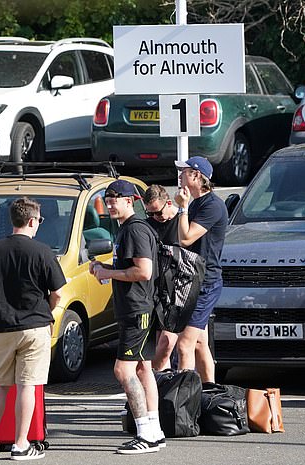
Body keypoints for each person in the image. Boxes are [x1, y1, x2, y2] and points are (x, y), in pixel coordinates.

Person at [0, 197, 65, 461]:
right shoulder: (42, 251)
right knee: (27, 386)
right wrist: (46, 309)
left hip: (2, 325)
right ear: (31, 221)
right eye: (38, 221)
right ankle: (21, 444)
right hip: (35, 325)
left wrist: (1, 302)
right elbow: (58, 292)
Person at [90, 180, 164, 454]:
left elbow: (143, 271)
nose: (110, 202)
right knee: (144, 369)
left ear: (129, 200)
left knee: (123, 371)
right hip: (135, 308)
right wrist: (105, 267)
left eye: (115, 198)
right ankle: (154, 431)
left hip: (138, 310)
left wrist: (109, 274)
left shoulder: (134, 230)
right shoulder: (127, 230)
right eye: (107, 198)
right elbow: (131, 268)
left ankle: (145, 434)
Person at [172, 156, 228, 383]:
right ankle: (209, 391)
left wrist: (181, 208)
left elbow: (185, 238)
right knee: (199, 342)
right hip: (191, 280)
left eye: (183, 172)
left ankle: (182, 401)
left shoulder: (213, 205)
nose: (179, 176)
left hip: (204, 283)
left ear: (196, 176)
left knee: (184, 344)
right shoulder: (197, 203)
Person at [142, 185, 181, 371]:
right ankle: (162, 384)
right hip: (157, 289)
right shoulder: (148, 225)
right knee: (160, 343)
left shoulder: (181, 221)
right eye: (150, 213)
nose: (155, 217)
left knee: (172, 344)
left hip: (178, 289)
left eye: (157, 212)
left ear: (168, 203)